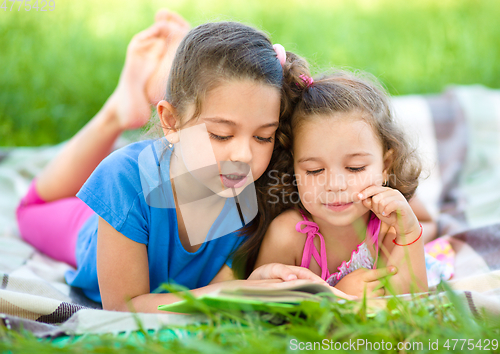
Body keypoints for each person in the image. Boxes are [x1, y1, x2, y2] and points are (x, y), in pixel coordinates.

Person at [16, 10, 350, 314]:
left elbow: (224, 283)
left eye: (263, 136)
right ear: (171, 121)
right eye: (220, 134)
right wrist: (237, 292)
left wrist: (260, 280)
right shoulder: (124, 180)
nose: (244, 156)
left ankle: (167, 82)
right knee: (29, 209)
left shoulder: (261, 188)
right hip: (95, 228)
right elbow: (125, 306)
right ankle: (117, 111)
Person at [253, 70, 431, 297]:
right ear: (294, 169)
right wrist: (337, 297)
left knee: (418, 215)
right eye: (314, 170)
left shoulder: (389, 226)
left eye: (355, 167)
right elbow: (264, 308)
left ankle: (431, 225)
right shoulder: (288, 236)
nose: (335, 185)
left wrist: (409, 232)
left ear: (386, 165)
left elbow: (411, 301)